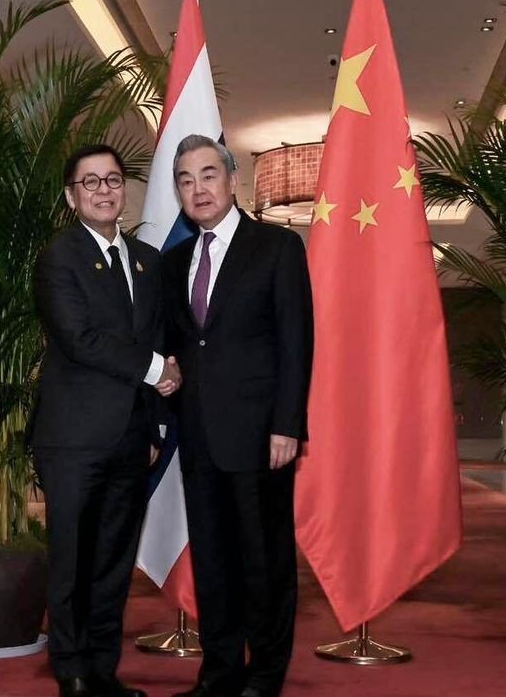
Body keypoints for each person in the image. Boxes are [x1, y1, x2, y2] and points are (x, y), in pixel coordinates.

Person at [164, 135, 314, 697]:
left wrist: (287, 425)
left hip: (260, 436)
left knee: (263, 560)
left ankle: (266, 674)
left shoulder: (277, 247)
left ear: (232, 180)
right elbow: (176, 348)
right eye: (185, 180)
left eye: (208, 175)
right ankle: (220, 673)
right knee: (213, 562)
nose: (198, 188)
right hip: (198, 436)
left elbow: (296, 342)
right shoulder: (174, 262)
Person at [30, 143, 181, 697]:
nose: (103, 190)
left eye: (112, 180)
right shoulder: (58, 258)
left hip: (132, 439)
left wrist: (156, 424)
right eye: (90, 182)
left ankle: (101, 671)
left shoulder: (147, 260)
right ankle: (70, 670)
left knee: (114, 563)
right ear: (72, 197)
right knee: (72, 559)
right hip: (73, 439)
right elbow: (79, 339)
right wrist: (156, 370)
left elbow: (157, 336)